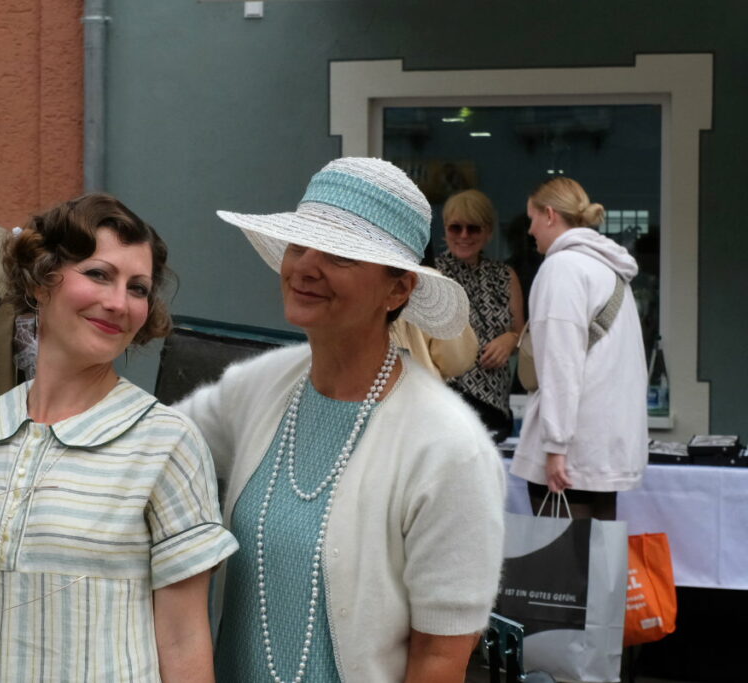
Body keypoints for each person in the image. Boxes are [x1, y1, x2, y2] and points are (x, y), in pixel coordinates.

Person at [0, 194, 238, 682]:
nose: (119, 303)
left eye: (138, 288)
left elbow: (183, 637)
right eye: (99, 274)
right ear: (40, 280)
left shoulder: (165, 440)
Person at [175, 157, 505, 683]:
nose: (306, 266)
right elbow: (155, 447)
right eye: (299, 245)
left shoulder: (447, 446)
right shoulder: (259, 388)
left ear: (398, 291)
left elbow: (440, 657)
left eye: (339, 255)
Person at [511, 177, 648, 520]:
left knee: (561, 553)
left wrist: (555, 445)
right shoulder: (610, 270)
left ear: (549, 215)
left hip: (572, 449)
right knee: (599, 553)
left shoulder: (561, 268)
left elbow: (560, 362)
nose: (530, 230)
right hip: (605, 446)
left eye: (532, 218)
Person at [435, 189, 524, 440]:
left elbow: (521, 334)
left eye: (473, 228)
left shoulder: (505, 276)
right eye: (456, 228)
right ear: (445, 230)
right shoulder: (431, 275)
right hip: (444, 404)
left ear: (488, 232)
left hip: (495, 408)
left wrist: (510, 340)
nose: (464, 235)